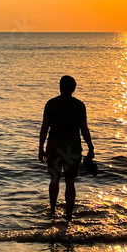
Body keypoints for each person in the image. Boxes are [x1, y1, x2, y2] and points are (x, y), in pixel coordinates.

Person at [38, 75, 94, 221]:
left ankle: (52, 210)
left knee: (54, 178)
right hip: (72, 146)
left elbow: (44, 127)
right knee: (70, 181)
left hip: (54, 145)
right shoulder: (79, 105)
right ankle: (69, 215)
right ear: (73, 88)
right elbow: (84, 129)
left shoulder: (51, 104)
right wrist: (90, 146)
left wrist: (40, 147)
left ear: (60, 87)